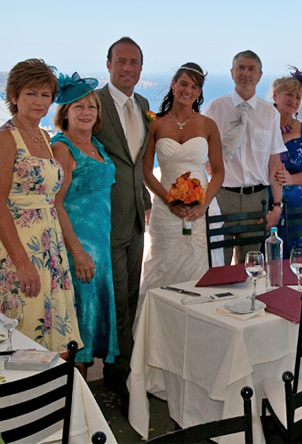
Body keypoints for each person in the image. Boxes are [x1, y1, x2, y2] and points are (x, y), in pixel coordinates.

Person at [0, 59, 81, 351]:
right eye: (31, 93)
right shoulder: (3, 139)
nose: (39, 101)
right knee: (15, 334)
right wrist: (22, 263)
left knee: (48, 336)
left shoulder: (44, 137)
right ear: (14, 96)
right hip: (15, 249)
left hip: (48, 246)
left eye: (45, 95)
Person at [51, 73, 119, 380]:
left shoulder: (97, 146)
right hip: (78, 253)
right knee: (77, 328)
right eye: (78, 106)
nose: (86, 111)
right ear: (64, 112)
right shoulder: (62, 149)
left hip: (100, 251)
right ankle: (74, 407)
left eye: (91, 106)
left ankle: (82, 406)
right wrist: (77, 253)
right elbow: (55, 204)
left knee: (88, 326)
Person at [94, 37, 151, 396]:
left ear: (141, 68)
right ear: (108, 63)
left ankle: (128, 368)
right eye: (121, 61)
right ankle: (119, 378)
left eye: (134, 62)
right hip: (104, 216)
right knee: (114, 296)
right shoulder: (93, 103)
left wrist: (144, 201)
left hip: (136, 215)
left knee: (132, 291)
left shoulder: (143, 104)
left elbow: (138, 161)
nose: (127, 68)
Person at [140, 63, 224, 293]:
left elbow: (218, 171)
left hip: (201, 207)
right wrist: (169, 201)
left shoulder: (208, 125)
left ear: (199, 93)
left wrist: (204, 204)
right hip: (166, 208)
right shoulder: (155, 124)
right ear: (173, 84)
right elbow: (146, 170)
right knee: (163, 269)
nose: (188, 90)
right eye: (184, 83)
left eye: (194, 87)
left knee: (201, 270)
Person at [203, 50, 287, 264]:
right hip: (222, 197)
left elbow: (275, 163)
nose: (245, 73)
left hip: (256, 200)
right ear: (232, 73)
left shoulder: (270, 113)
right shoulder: (215, 108)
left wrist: (277, 206)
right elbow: (200, 150)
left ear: (260, 75)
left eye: (251, 69)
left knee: (250, 267)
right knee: (218, 263)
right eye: (241, 68)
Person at [271, 67, 302, 258]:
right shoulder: (262, 125)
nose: (294, 100)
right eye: (289, 94)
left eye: (298, 97)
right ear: (275, 95)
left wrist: (291, 179)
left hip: (298, 206)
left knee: (295, 258)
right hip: (268, 202)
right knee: (267, 258)